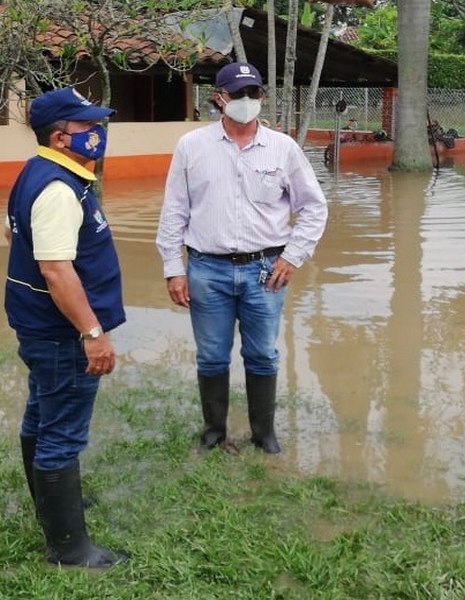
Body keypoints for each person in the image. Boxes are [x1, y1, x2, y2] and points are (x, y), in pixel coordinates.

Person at [156, 62, 328, 455]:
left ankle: (263, 434)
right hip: (206, 269)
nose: (248, 102)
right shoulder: (192, 147)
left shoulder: (283, 149)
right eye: (239, 94)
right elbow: (174, 212)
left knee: (262, 354)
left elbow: (314, 207)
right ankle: (214, 432)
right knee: (212, 354)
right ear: (219, 98)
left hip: (266, 271)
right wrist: (172, 269)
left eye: (255, 94)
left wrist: (293, 257)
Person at [5, 87, 128, 568]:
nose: (98, 133)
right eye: (87, 127)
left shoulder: (40, 172)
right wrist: (92, 334)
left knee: (41, 416)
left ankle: (51, 506)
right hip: (61, 333)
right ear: (60, 138)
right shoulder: (57, 188)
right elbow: (57, 270)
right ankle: (70, 551)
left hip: (38, 325)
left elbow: (12, 231)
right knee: (61, 433)